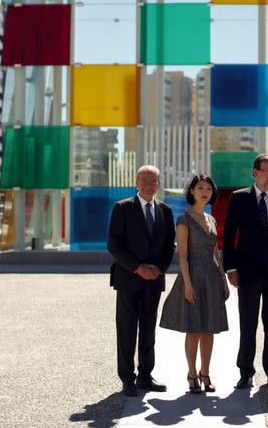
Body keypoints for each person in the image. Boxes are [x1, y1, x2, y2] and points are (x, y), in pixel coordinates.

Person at [223, 153, 268, 389]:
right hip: (247, 273)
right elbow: (229, 233)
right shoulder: (239, 198)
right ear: (255, 172)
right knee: (248, 324)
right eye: (267, 170)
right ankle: (245, 372)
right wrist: (230, 268)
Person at [108, 165, 176, 397]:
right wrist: (137, 268)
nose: (148, 184)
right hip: (128, 279)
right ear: (137, 183)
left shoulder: (165, 211)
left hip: (154, 280)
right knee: (126, 330)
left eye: (153, 181)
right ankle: (127, 378)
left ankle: (146, 376)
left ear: (159, 184)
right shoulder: (122, 208)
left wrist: (159, 268)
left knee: (148, 330)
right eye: (144, 180)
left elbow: (170, 245)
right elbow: (114, 244)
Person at [160, 174, 229, 394]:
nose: (205, 191)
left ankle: (205, 373)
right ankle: (191, 374)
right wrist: (188, 285)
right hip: (193, 277)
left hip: (211, 277)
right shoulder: (184, 219)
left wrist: (223, 278)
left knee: (210, 330)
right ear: (192, 191)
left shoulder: (212, 219)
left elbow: (215, 252)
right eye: (200, 187)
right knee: (194, 329)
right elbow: (182, 256)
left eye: (208, 188)